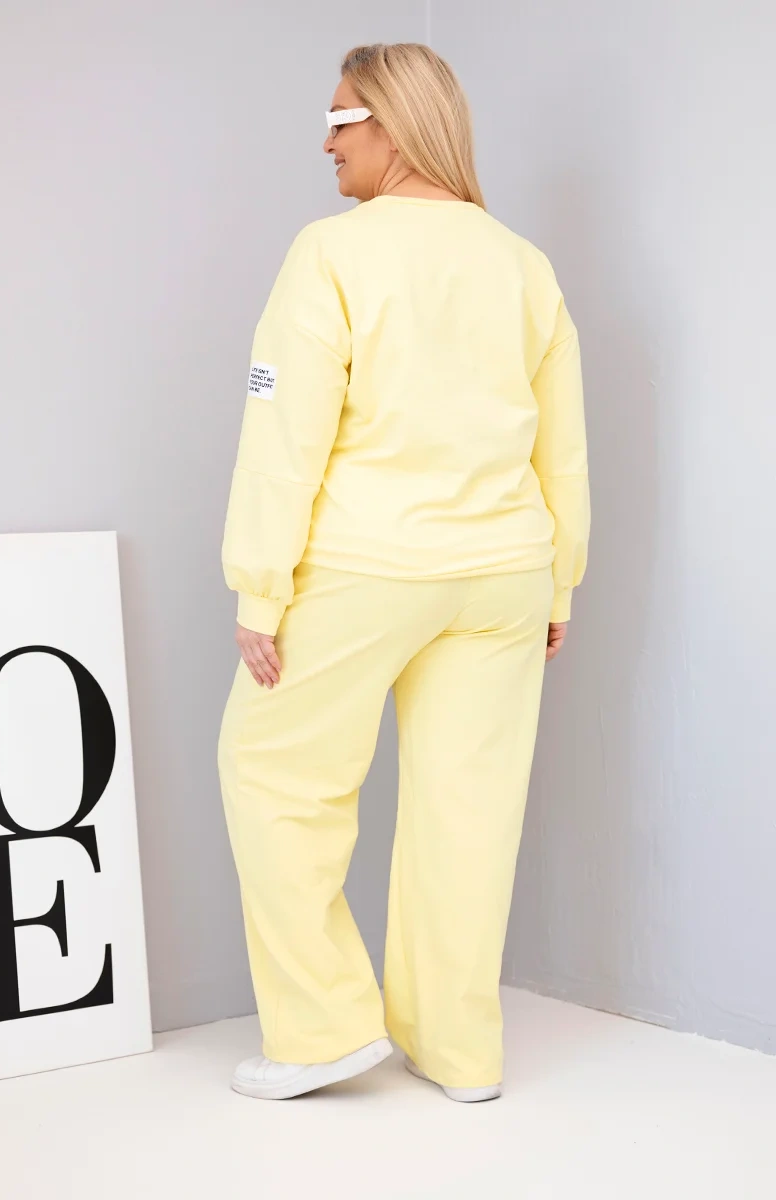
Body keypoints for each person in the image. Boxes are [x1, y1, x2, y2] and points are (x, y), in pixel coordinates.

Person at [217, 42, 589, 1103]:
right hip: (505, 573)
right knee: (469, 809)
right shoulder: (522, 264)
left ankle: (322, 1028)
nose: (325, 144)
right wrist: (559, 582)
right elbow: (561, 444)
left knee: (274, 776)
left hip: (365, 566)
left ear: (391, 123)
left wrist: (261, 585)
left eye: (341, 121)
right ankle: (459, 1051)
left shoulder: (331, 253)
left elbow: (283, 428)